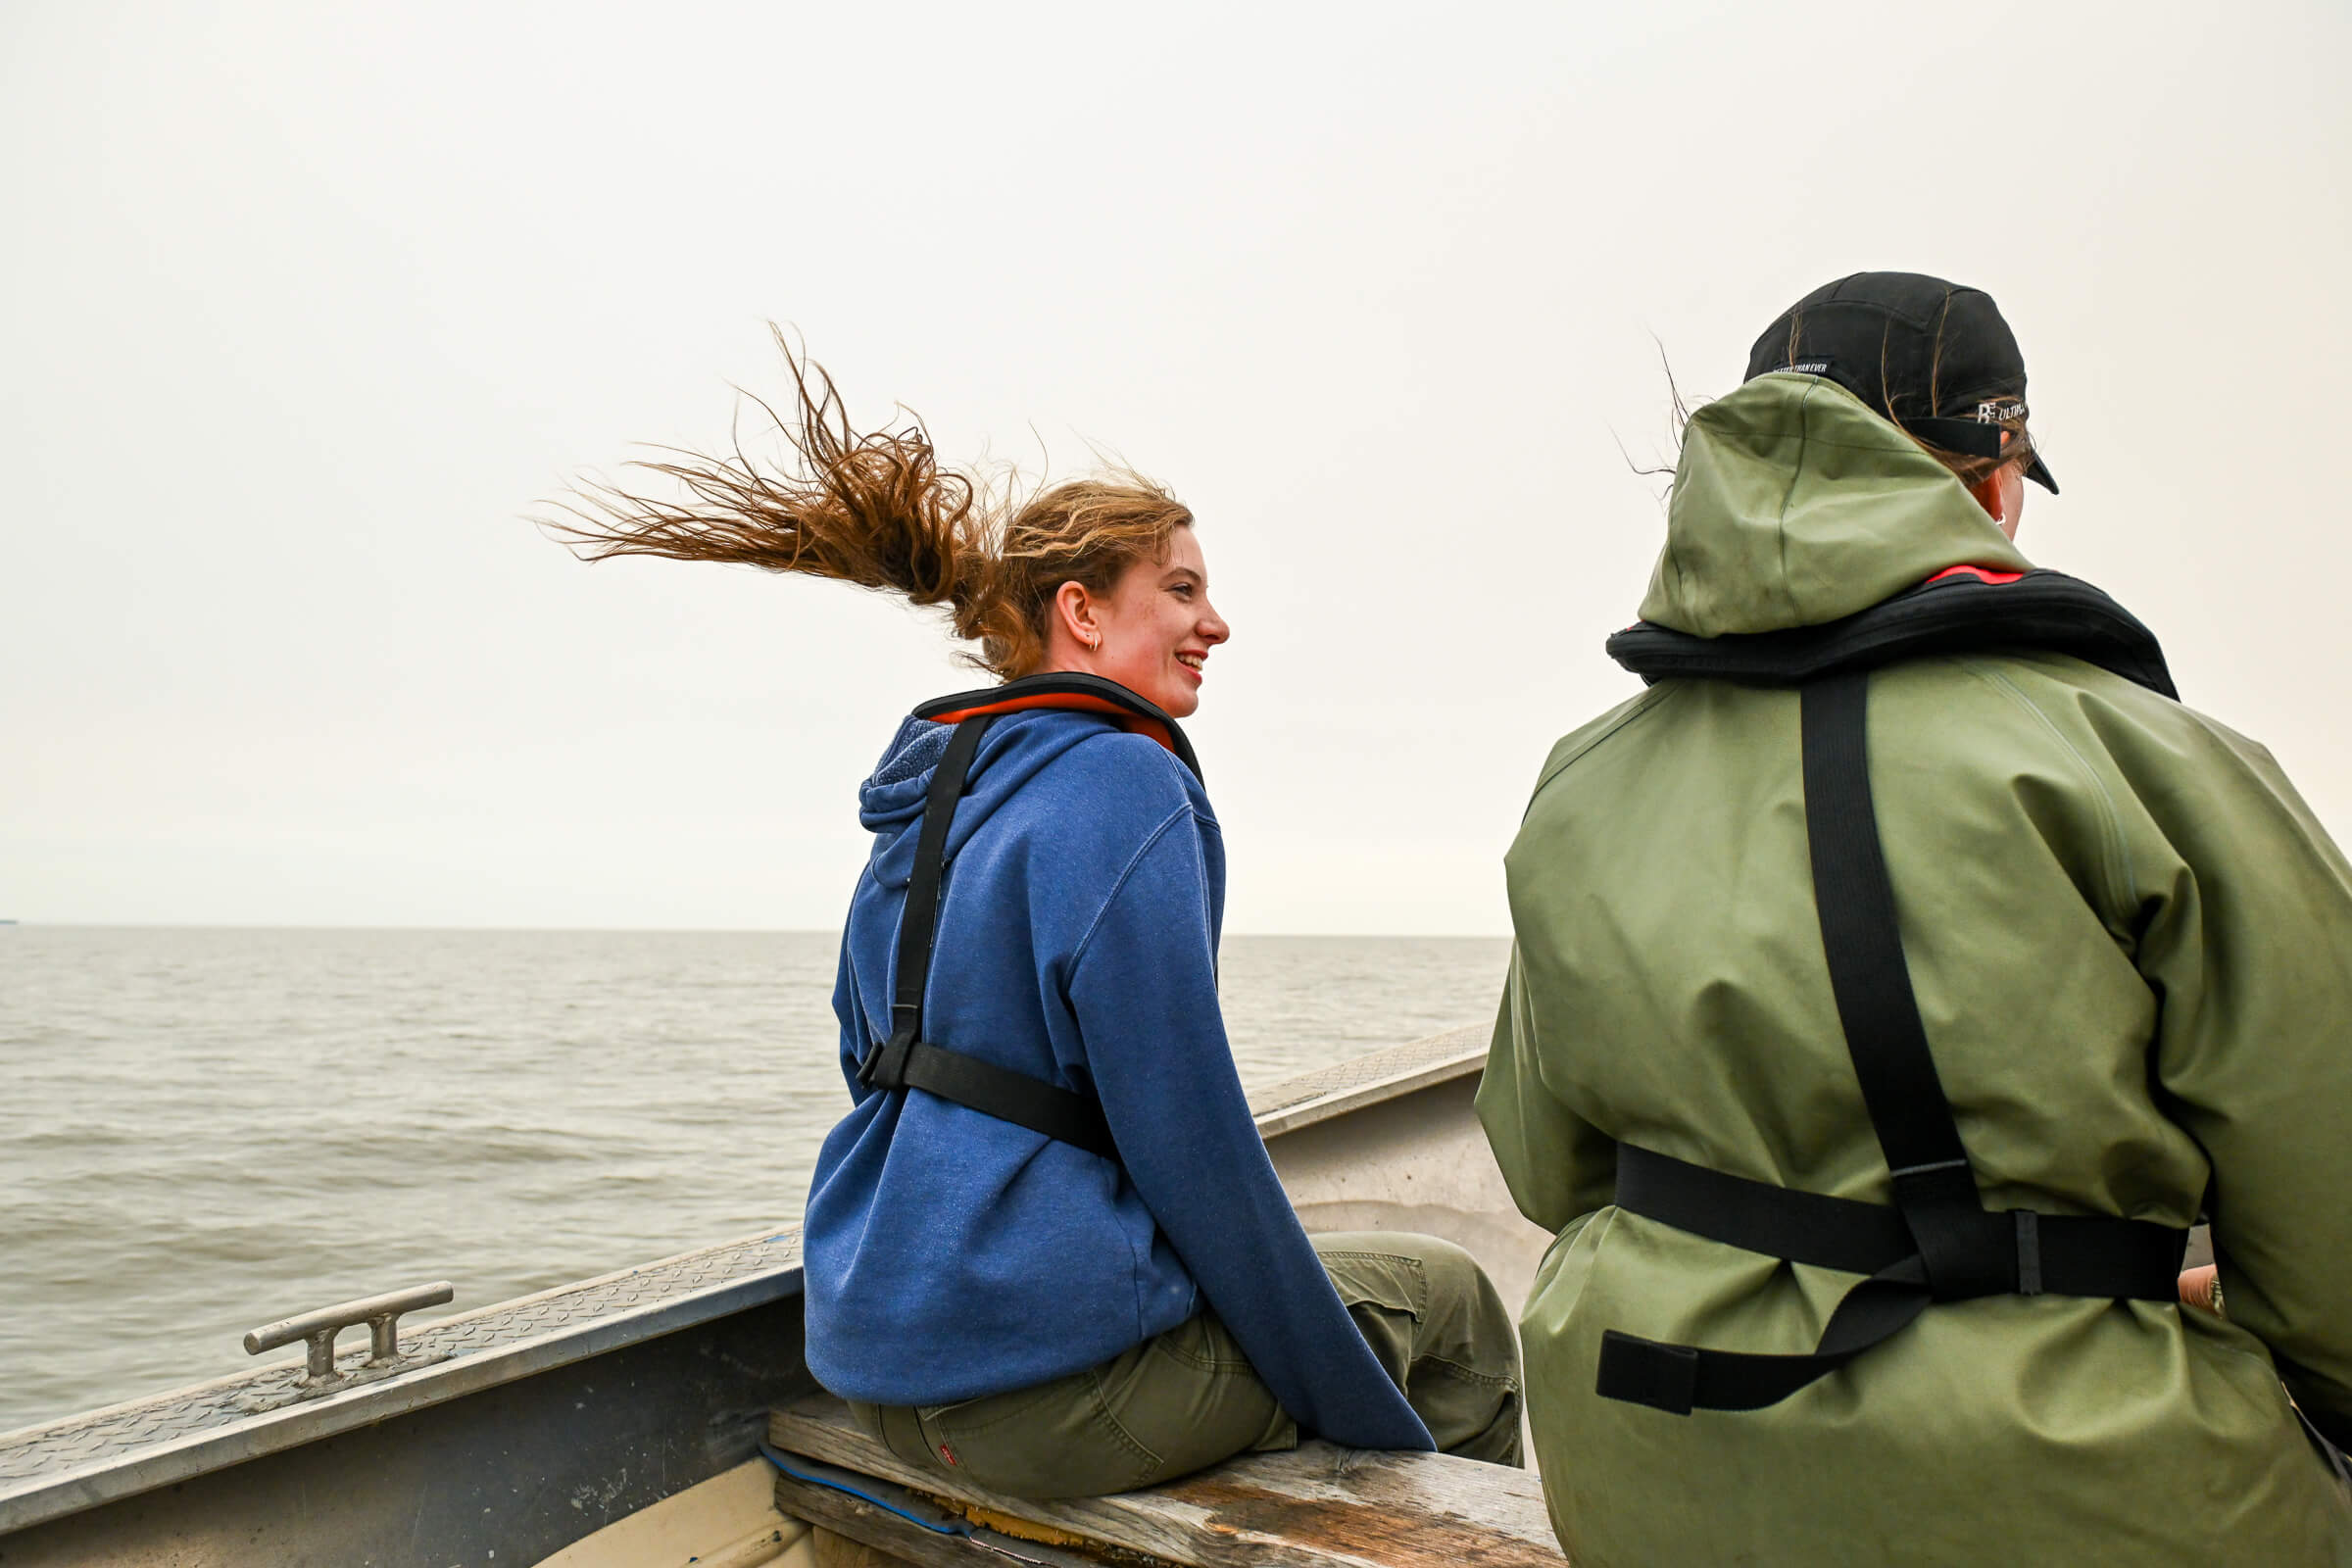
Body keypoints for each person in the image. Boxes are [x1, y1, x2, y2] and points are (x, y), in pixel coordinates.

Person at [551, 337, 1521, 1499]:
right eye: (1182, 589)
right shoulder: (1128, 780)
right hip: (1040, 1396)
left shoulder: (933, 795)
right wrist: (1358, 1408)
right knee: (1451, 1303)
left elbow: (867, 1056)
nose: (1217, 623)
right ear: (1083, 613)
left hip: (879, 1370)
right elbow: (1189, 1138)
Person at [1480, 273, 2352, 1563]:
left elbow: (1546, 1166)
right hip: (2051, 1488)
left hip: (1651, 1453)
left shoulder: (1582, 775)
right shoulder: (2145, 761)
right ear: (1993, 481)